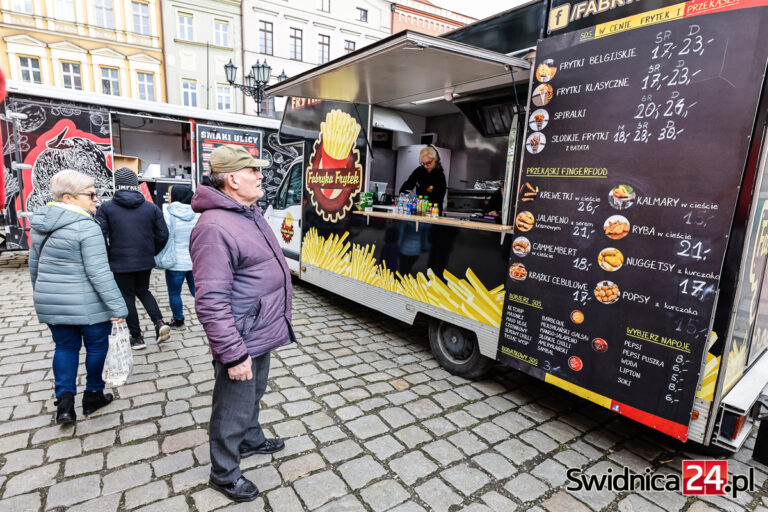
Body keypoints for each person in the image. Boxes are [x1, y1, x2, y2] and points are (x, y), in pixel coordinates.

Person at [190, 144, 294, 503]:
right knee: (231, 407)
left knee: (255, 393)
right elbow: (210, 300)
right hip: (240, 336)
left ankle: (251, 440)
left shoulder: (248, 211)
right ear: (233, 179)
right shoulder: (214, 226)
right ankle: (224, 473)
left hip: (259, 328)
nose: (260, 175)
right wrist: (233, 355)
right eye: (253, 171)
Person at [29, 169, 128, 424]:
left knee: (64, 347)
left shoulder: (42, 222)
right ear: (69, 198)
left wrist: (43, 295)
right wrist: (118, 307)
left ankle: (64, 405)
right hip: (90, 307)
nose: (97, 199)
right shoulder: (87, 226)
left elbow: (34, 266)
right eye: (91, 194)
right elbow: (99, 273)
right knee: (97, 347)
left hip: (53, 302)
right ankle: (93, 395)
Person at [95, 167, 170, 350]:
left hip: (120, 262)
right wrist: (151, 251)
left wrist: (109, 255)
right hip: (144, 259)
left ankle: (137, 338)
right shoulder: (151, 207)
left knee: (127, 296)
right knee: (144, 291)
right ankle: (159, 323)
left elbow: (100, 236)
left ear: (116, 185)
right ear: (135, 184)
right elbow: (163, 235)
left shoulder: (106, 208)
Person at [163, 184, 199, 329]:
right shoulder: (198, 214)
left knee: (174, 293)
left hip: (175, 262)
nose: (168, 197)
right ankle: (211, 317)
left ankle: (179, 321)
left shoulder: (168, 213)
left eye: (170, 194)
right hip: (194, 261)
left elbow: (162, 235)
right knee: (198, 293)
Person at [399, 145, 447, 214]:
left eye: (428, 163)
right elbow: (409, 184)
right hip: (419, 210)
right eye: (423, 163)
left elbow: (438, 198)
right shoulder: (419, 171)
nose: (425, 166)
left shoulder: (440, 176)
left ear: (435, 159)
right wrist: (402, 193)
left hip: (433, 212)